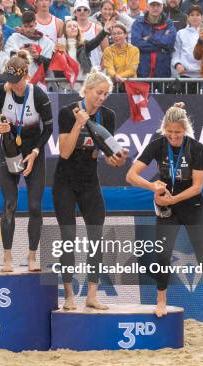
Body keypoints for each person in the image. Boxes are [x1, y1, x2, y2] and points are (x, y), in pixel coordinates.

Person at [125, 102, 203, 343]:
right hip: (167, 209)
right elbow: (131, 175)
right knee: (162, 256)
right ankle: (160, 301)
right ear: (164, 130)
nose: (174, 137)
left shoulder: (196, 148)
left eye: (178, 132)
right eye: (170, 132)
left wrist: (175, 198)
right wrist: (152, 185)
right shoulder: (157, 145)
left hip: (192, 206)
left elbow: (197, 187)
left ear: (185, 130)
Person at [54, 69, 127, 310]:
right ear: (86, 90)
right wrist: (79, 124)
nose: (102, 98)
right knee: (68, 239)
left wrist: (117, 159)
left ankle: (92, 296)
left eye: (106, 94)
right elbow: (64, 152)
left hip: (89, 182)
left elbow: (107, 154)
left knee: (96, 237)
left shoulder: (108, 116)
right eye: (98, 93)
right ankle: (69, 296)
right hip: (65, 182)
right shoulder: (68, 112)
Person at [0, 51, 53, 272]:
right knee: (9, 205)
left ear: (26, 76)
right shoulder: (1, 91)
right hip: (9, 148)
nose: (12, 85)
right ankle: (7, 258)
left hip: (32, 149)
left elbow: (49, 128)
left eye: (16, 81)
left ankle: (32, 256)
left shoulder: (39, 95)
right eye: (9, 80)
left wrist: (35, 152)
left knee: (35, 206)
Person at [131, 0, 177, 79]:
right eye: (152, 5)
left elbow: (169, 43)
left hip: (163, 71)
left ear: (162, 7)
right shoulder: (138, 22)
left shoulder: (168, 23)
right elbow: (136, 44)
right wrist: (161, 46)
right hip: (142, 70)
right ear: (147, 6)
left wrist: (149, 37)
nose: (155, 8)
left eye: (158, 5)